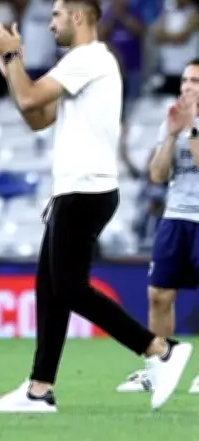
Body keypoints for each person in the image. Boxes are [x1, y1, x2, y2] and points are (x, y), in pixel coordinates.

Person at [0, 0, 192, 413]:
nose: (51, 23)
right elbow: (37, 117)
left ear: (78, 17)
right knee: (51, 289)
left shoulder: (88, 58)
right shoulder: (84, 63)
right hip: (75, 190)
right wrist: (10, 66)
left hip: (85, 189)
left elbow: (28, 97)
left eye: (57, 15)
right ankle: (39, 390)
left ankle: (159, 349)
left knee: (71, 288)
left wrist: (12, 57)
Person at [117, 60, 199, 395]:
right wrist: (170, 134)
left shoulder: (190, 121)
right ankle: (159, 367)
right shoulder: (173, 119)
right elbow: (157, 174)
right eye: (184, 80)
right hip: (175, 216)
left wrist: (191, 127)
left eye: (195, 80)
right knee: (159, 294)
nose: (187, 86)